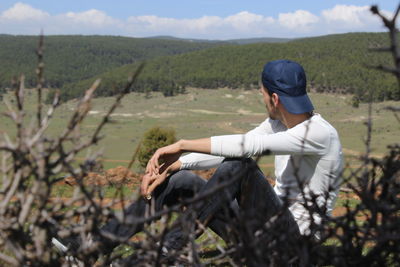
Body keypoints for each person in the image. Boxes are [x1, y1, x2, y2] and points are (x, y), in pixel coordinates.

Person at [54, 59, 343, 265]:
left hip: (291, 249)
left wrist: (180, 146)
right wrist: (177, 165)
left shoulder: (319, 133)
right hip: (259, 234)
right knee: (181, 181)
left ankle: (167, 253)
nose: (263, 98)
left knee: (240, 166)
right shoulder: (279, 124)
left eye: (263, 93)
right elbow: (235, 145)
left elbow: (247, 148)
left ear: (274, 98)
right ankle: (88, 248)